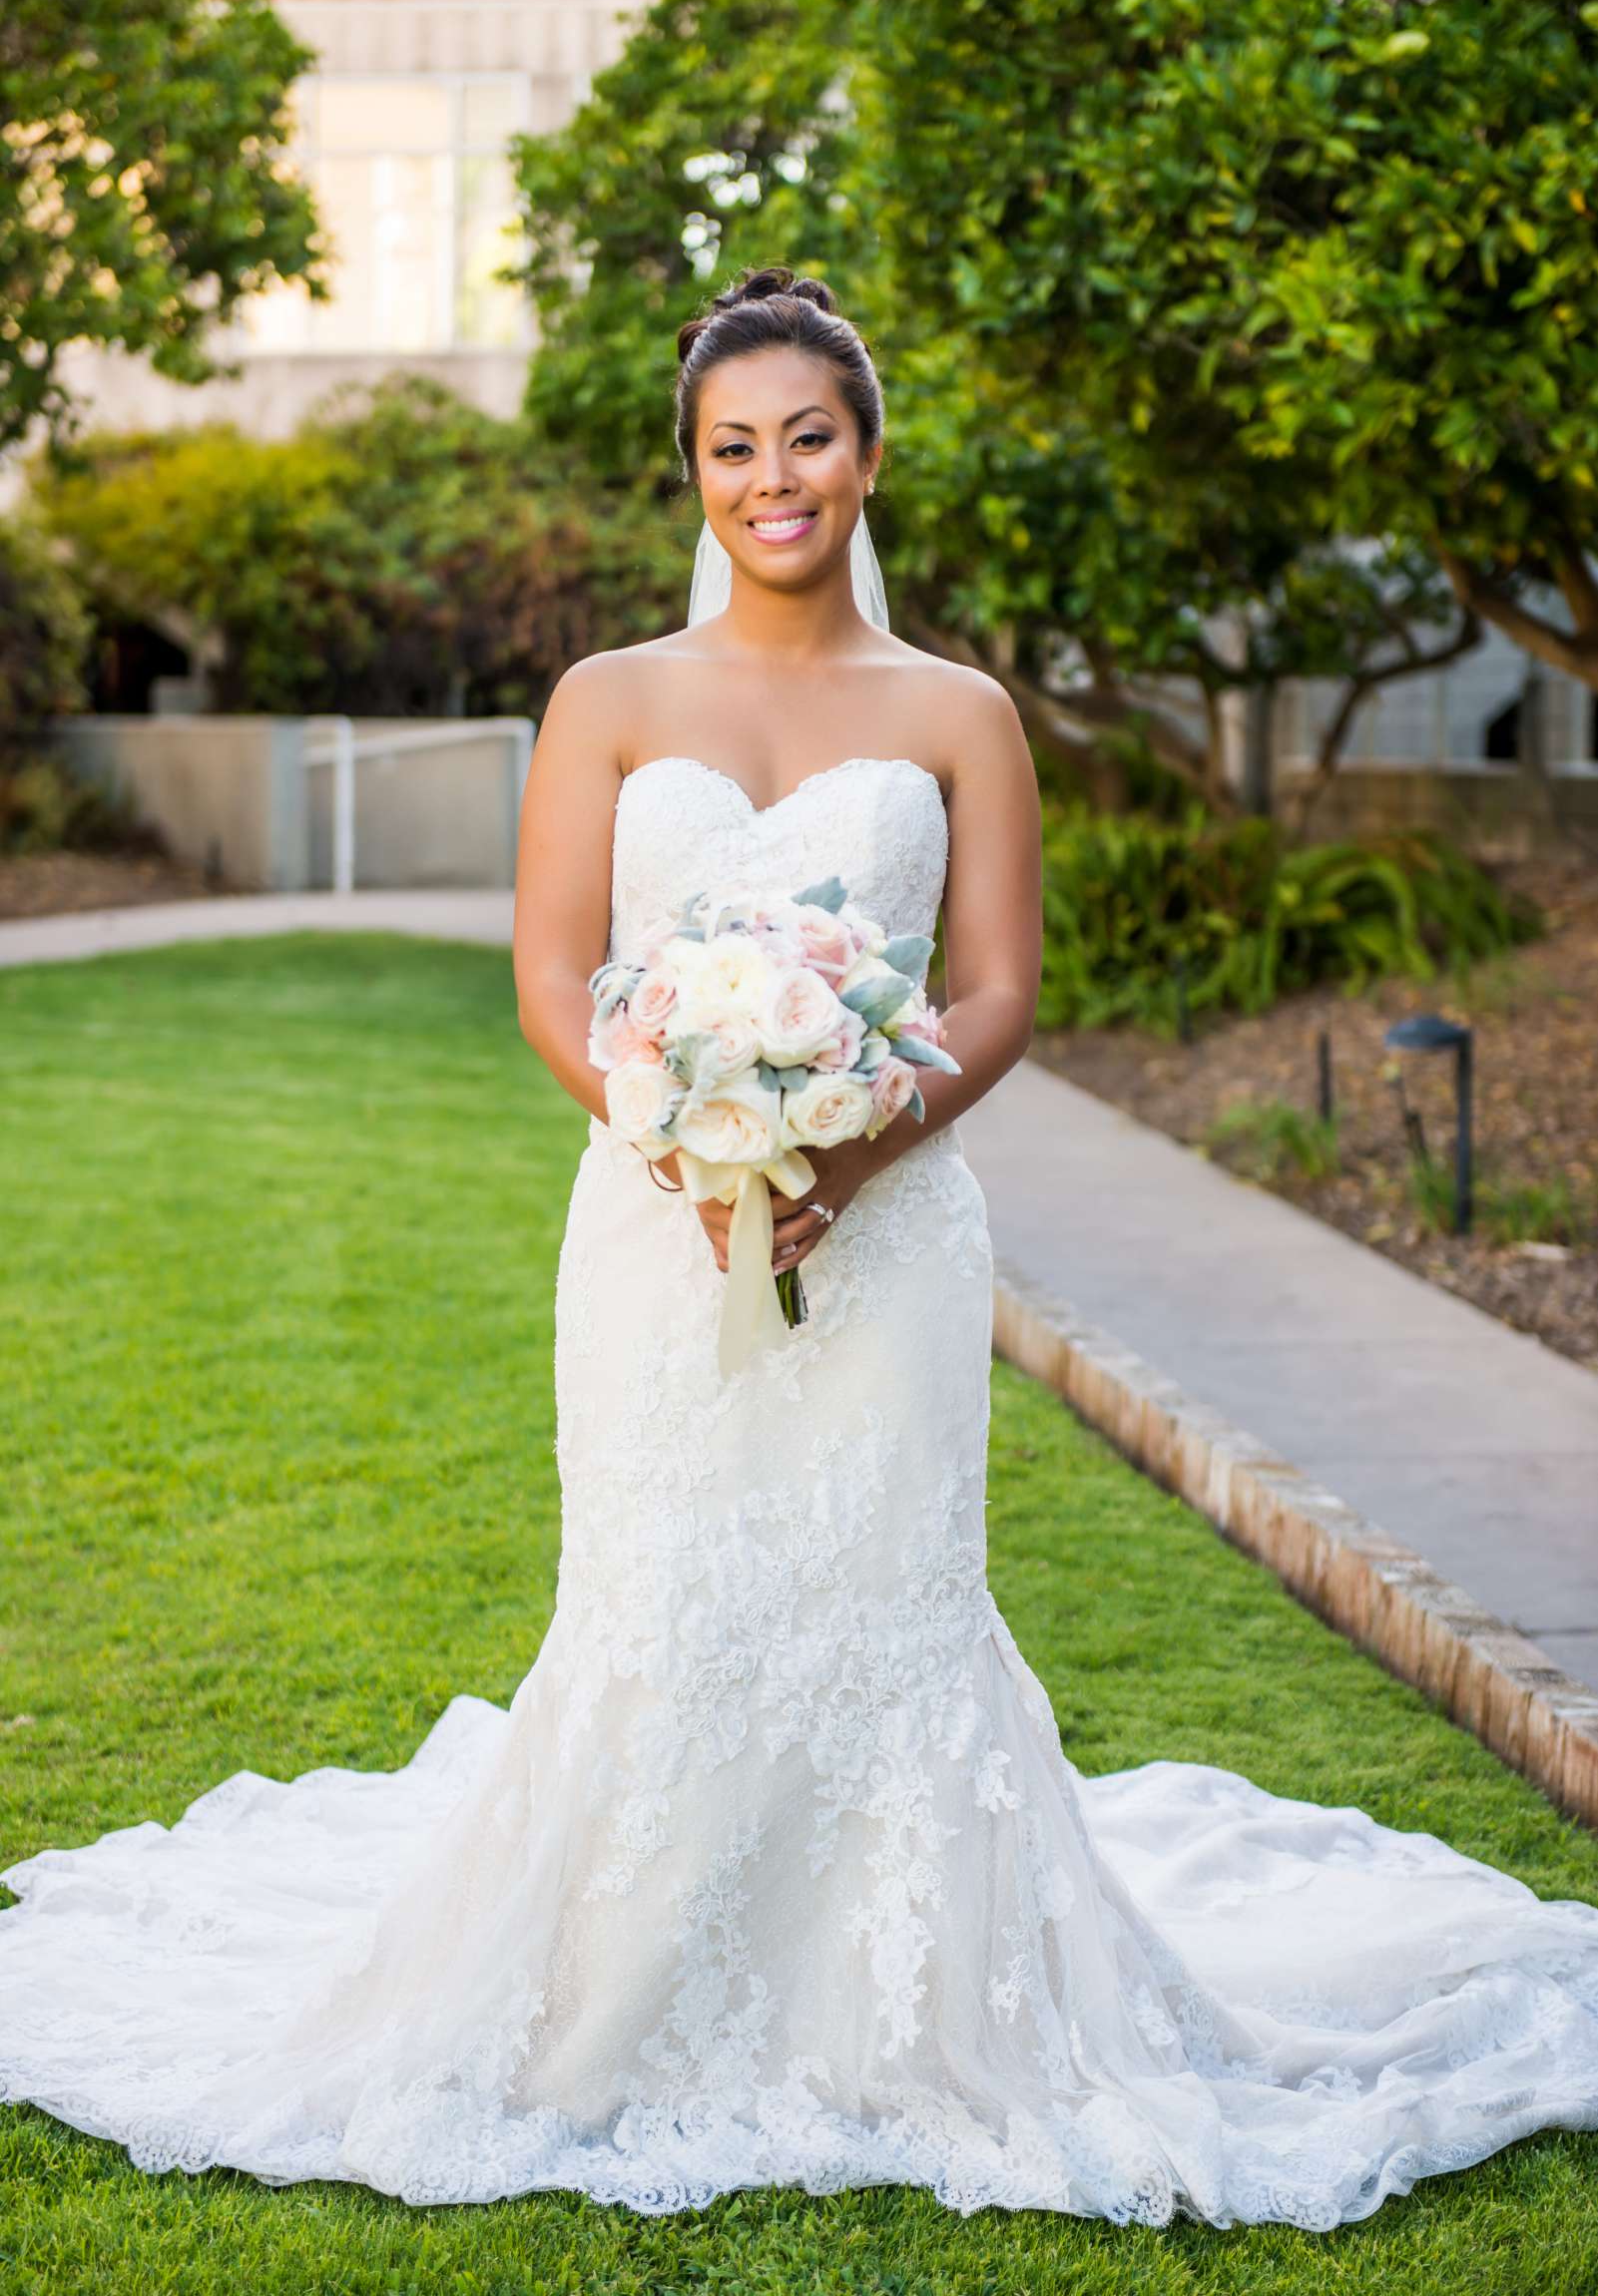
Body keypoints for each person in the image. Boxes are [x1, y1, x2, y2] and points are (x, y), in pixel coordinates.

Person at [2, 265, 1596, 2229]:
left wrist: (864, 1143)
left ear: (869, 454)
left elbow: (1002, 992)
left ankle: (910, 2011)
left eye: (809, 439)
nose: (775, 480)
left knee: (880, 1600)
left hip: (897, 1235)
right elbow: (549, 972)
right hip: (654, 1234)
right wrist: (673, 1131)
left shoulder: (958, 714)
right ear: (692, 470)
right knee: (663, 1601)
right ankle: (615, 2000)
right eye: (733, 446)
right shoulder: (607, 701)